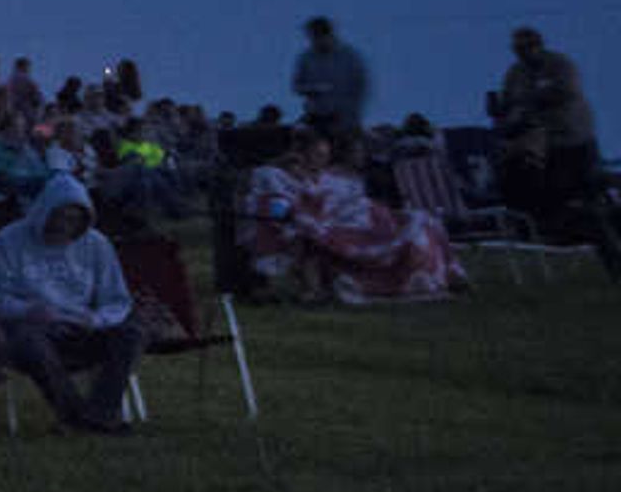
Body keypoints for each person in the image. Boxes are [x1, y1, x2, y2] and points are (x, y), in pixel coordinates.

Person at [0, 173, 140, 431]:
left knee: (130, 333)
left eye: (74, 220)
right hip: (31, 329)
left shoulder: (96, 244)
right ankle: (76, 415)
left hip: (81, 327)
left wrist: (96, 319)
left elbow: (117, 299)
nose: (65, 225)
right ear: (45, 211)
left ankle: (98, 412)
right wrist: (28, 310)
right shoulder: (9, 240)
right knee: (30, 340)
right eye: (60, 216)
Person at [242, 132, 461, 304]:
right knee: (405, 233)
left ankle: (443, 273)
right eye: (316, 156)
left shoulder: (328, 177)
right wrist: (304, 214)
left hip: (356, 220)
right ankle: (409, 276)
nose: (320, 162)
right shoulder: (274, 176)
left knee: (419, 220)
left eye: (324, 157)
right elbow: (277, 208)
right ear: (298, 154)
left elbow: (351, 202)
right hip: (327, 228)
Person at [492, 27, 599, 241]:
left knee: (577, 185)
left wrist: (529, 101)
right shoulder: (516, 72)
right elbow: (507, 100)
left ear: (539, 45)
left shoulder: (560, 65)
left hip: (571, 136)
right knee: (533, 183)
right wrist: (502, 111)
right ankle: (545, 229)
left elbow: (566, 92)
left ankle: (584, 229)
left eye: (527, 47)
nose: (523, 53)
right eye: (518, 49)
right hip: (536, 141)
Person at [291, 17, 370, 146]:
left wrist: (350, 115)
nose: (314, 40)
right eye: (312, 37)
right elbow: (297, 85)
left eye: (317, 36)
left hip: (344, 119)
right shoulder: (307, 58)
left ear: (327, 35)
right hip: (317, 117)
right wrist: (312, 89)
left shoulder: (349, 58)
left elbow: (360, 88)